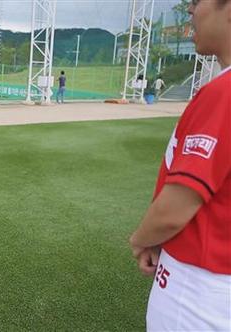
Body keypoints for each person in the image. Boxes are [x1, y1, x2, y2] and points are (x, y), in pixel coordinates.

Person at [129, 0, 231, 330]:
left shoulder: (224, 93)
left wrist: (142, 239)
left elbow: (174, 210)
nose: (190, 10)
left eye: (198, 2)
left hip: (198, 290)